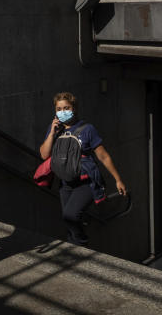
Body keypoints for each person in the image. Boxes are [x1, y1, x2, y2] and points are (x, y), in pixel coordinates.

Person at [39, 91, 127, 246]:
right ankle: (73, 251)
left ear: (74, 109)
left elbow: (103, 156)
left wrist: (118, 180)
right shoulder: (55, 129)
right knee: (68, 220)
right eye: (59, 109)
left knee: (70, 215)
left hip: (85, 182)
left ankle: (81, 243)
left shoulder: (87, 129)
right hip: (65, 183)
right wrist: (52, 133)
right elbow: (44, 154)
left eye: (66, 108)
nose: (62, 112)